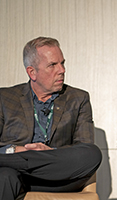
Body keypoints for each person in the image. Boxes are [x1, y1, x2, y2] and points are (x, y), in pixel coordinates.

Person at [0, 36, 102, 200]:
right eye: (52, 65)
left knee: (93, 153)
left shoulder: (78, 98)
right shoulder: (5, 98)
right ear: (32, 72)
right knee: (4, 177)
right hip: (17, 176)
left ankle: (14, 161)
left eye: (62, 63)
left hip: (59, 177)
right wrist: (17, 150)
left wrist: (50, 153)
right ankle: (15, 162)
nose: (62, 70)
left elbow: (84, 146)